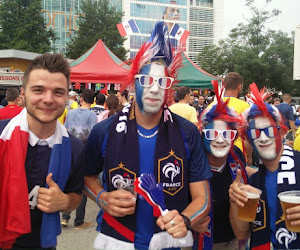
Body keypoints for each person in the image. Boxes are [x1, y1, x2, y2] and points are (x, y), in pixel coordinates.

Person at [84, 22, 212, 250]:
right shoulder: (104, 130)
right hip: (116, 240)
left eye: (162, 82)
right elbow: (86, 177)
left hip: (168, 243)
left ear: (169, 88)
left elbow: (202, 198)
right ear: (134, 84)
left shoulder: (187, 132)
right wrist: (102, 197)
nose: (154, 89)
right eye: (147, 81)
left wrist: (185, 220)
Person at [0, 53, 85, 249]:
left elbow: (76, 195)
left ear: (66, 96)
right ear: (23, 94)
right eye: (38, 90)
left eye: (57, 92)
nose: (48, 99)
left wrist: (64, 201)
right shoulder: (1, 135)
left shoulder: (74, 147)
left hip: (43, 243)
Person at [229, 83, 300, 249]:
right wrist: (235, 199)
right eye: (255, 133)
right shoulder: (253, 183)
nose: (262, 138)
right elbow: (241, 233)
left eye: (269, 130)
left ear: (281, 132)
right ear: (249, 139)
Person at [195, 81, 248, 250]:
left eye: (227, 134)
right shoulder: (191, 163)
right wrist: (189, 221)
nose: (219, 140)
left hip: (234, 242)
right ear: (202, 133)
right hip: (198, 243)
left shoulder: (237, 157)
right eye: (212, 133)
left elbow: (246, 172)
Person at [62, 89, 97, 229]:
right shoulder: (92, 115)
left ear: (81, 99)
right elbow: (93, 135)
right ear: (92, 101)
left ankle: (65, 216)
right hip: (84, 153)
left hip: (70, 151)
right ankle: (79, 221)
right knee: (81, 186)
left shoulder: (70, 113)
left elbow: (65, 130)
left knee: (69, 181)